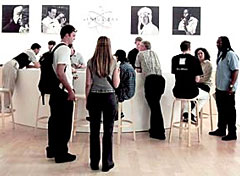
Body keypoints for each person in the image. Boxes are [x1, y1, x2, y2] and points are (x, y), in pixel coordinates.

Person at [85, 36, 120, 172]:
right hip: (109, 97)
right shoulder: (114, 62)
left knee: (94, 131)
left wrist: (87, 99)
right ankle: (107, 163)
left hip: (94, 96)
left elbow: (88, 83)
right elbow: (116, 84)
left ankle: (94, 162)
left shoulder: (90, 62)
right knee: (108, 131)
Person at [46, 25, 77, 163]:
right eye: (73, 35)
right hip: (62, 92)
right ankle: (61, 154)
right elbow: (60, 72)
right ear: (67, 35)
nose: (74, 38)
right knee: (64, 123)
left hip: (55, 91)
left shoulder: (56, 48)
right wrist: (70, 90)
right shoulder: (64, 48)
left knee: (54, 122)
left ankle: (52, 150)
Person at [209, 36, 239, 141]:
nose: (217, 44)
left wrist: (231, 86)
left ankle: (232, 133)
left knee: (230, 112)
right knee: (221, 110)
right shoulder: (221, 54)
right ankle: (221, 129)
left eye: (219, 42)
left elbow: (235, 70)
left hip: (228, 90)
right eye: (217, 42)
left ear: (225, 43)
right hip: (220, 88)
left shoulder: (231, 54)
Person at [171, 41, 208, 123]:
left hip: (177, 91)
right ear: (189, 48)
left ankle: (185, 114)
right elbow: (197, 79)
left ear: (181, 48)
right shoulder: (194, 59)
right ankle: (193, 114)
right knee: (206, 95)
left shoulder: (174, 59)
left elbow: (176, 73)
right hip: (191, 92)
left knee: (187, 98)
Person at [135, 41, 165, 140]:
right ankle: (155, 130)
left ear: (144, 47)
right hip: (160, 79)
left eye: (140, 45)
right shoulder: (154, 53)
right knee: (155, 106)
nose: (139, 47)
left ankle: (159, 132)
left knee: (154, 106)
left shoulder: (140, 54)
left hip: (151, 80)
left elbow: (138, 69)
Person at [2, 43, 41, 111]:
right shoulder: (31, 53)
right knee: (10, 87)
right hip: (12, 66)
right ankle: (5, 107)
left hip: (8, 65)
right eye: (38, 50)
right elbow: (37, 65)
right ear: (36, 49)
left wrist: (36, 66)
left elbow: (28, 66)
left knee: (5, 86)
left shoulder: (27, 52)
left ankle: (2, 106)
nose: (38, 52)